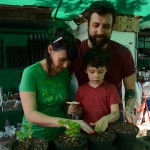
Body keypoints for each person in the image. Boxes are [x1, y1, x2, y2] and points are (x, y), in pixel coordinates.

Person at [19, 28, 94, 149]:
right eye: (62, 59)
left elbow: (63, 103)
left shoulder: (64, 74)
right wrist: (66, 122)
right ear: (50, 50)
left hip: (60, 136)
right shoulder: (31, 73)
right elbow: (30, 114)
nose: (65, 65)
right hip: (36, 137)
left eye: (69, 61)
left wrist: (69, 108)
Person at [70, 1, 136, 124]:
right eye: (95, 25)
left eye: (106, 26)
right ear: (88, 24)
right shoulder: (76, 52)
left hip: (115, 117)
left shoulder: (123, 53)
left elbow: (131, 89)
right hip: (86, 118)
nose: (100, 31)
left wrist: (128, 110)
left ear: (112, 27)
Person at [68, 49, 121, 133]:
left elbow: (116, 113)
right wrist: (74, 110)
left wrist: (106, 119)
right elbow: (81, 112)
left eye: (100, 72)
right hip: (87, 130)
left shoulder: (110, 88)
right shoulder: (81, 90)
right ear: (85, 70)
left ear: (106, 70)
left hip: (106, 131)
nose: (96, 75)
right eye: (92, 72)